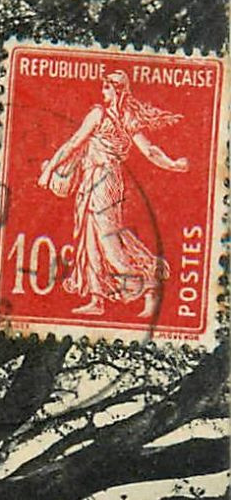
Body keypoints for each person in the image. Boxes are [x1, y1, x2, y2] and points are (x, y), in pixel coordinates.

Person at [37, 69, 188, 319]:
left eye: (106, 87)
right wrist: (171, 164)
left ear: (116, 90)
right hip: (96, 179)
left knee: (109, 243)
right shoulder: (125, 117)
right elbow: (149, 150)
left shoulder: (102, 114)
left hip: (103, 181)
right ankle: (97, 299)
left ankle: (150, 288)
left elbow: (74, 143)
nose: (102, 92)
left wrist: (49, 170)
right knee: (90, 240)